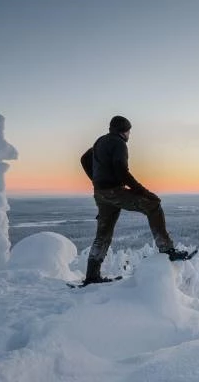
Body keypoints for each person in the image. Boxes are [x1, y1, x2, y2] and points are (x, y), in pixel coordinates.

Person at [80, 115, 191, 284]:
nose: (129, 135)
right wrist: (144, 191)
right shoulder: (119, 143)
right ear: (123, 131)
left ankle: (92, 275)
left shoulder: (100, 141)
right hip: (114, 191)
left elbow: (84, 158)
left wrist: (96, 180)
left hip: (100, 193)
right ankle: (167, 249)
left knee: (103, 234)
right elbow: (122, 171)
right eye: (129, 131)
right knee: (153, 205)